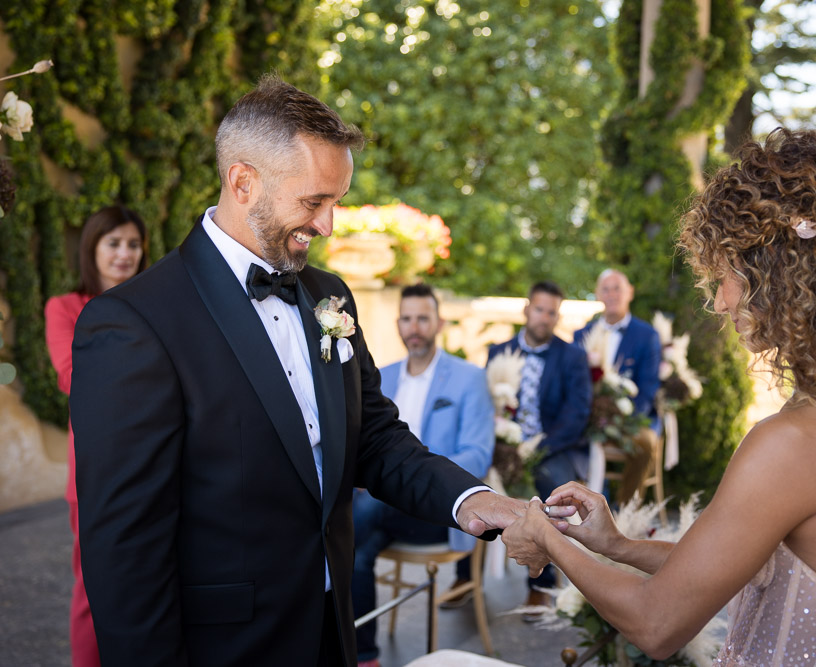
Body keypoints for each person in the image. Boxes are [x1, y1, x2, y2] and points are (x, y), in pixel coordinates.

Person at [70, 75, 534, 667]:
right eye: (314, 202)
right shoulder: (133, 323)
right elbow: (124, 551)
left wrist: (470, 499)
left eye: (336, 202)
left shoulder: (328, 295)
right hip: (225, 648)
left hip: (332, 629)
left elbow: (375, 437)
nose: (327, 226)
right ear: (243, 182)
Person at [502, 128, 816, 664]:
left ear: (782, 277)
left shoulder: (791, 445)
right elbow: (767, 574)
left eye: (725, 275)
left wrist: (547, 537)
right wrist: (615, 545)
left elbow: (656, 623)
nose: (720, 302)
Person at [351, 283, 494, 667]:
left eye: (422, 319)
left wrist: (415, 472)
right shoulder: (382, 376)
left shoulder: (468, 378)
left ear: (440, 323)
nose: (414, 327)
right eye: (407, 319)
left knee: (352, 519)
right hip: (383, 508)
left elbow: (477, 455)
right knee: (356, 553)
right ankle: (364, 656)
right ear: (398, 324)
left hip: (438, 510)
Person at [44, 205, 148, 667]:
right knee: (94, 589)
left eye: (133, 244)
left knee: (152, 582)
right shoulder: (64, 308)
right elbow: (73, 376)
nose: (124, 254)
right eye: (114, 243)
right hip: (97, 468)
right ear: (92, 248)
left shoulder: (155, 305)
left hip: (157, 460)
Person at [488, 280, 591, 615]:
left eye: (551, 313)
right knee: (470, 479)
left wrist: (537, 448)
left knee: (551, 494)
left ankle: (540, 584)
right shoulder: (498, 352)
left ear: (557, 317)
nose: (544, 318)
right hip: (503, 445)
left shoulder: (572, 357)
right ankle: (464, 573)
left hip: (550, 447)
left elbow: (577, 414)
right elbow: (486, 404)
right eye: (539, 309)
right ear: (526, 310)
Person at [574, 269, 661, 501]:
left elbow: (648, 390)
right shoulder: (582, 334)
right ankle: (576, 507)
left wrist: (619, 419)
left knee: (645, 443)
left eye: (617, 289)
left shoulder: (647, 335)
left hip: (629, 420)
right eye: (606, 289)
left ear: (630, 292)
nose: (611, 294)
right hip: (588, 418)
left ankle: (625, 510)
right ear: (597, 294)